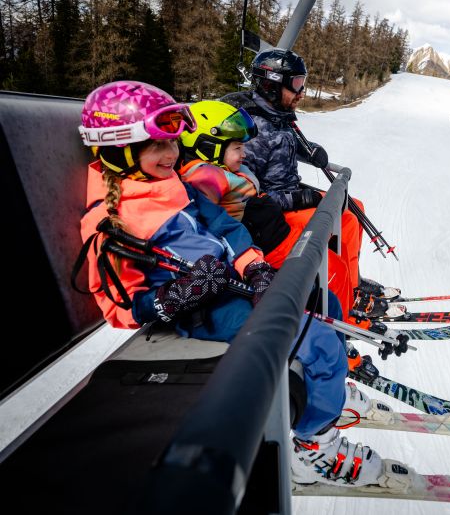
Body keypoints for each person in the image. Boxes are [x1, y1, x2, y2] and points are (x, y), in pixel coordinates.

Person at [76, 80, 405, 489]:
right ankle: (314, 449)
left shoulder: (170, 185)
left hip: (235, 286)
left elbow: (225, 225)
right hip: (203, 313)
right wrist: (179, 294)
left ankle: (330, 387)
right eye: (157, 145)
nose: (171, 154)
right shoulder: (111, 223)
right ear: (117, 148)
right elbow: (119, 307)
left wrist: (254, 266)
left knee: (325, 305)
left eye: (173, 143)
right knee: (318, 340)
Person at [220, 48, 389, 313]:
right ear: (272, 84)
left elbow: (284, 143)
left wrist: (309, 150)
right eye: (296, 84)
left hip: (290, 194)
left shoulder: (277, 114)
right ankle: (343, 302)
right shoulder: (250, 131)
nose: (301, 93)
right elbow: (248, 195)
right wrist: (299, 198)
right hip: (274, 211)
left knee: (353, 208)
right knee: (334, 242)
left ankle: (352, 285)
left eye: (302, 83)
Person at [178, 100, 353, 322]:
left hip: (274, 232)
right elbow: (206, 225)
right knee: (331, 268)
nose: (244, 154)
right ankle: (341, 324)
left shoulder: (224, 168)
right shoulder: (206, 177)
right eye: (237, 148)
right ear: (208, 146)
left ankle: (346, 307)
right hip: (265, 246)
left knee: (331, 248)